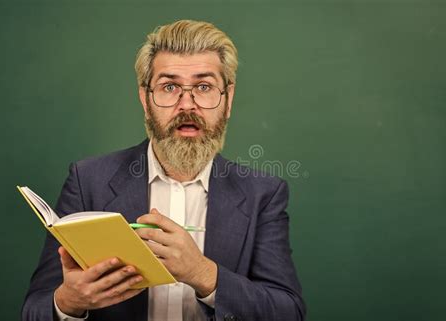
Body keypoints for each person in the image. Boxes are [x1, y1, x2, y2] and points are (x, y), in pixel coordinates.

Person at [21, 19, 306, 321]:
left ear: (228, 100)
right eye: (169, 87)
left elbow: (289, 312)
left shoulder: (263, 193)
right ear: (145, 99)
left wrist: (203, 274)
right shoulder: (87, 181)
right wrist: (67, 302)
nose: (187, 105)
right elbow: (33, 312)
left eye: (204, 86)